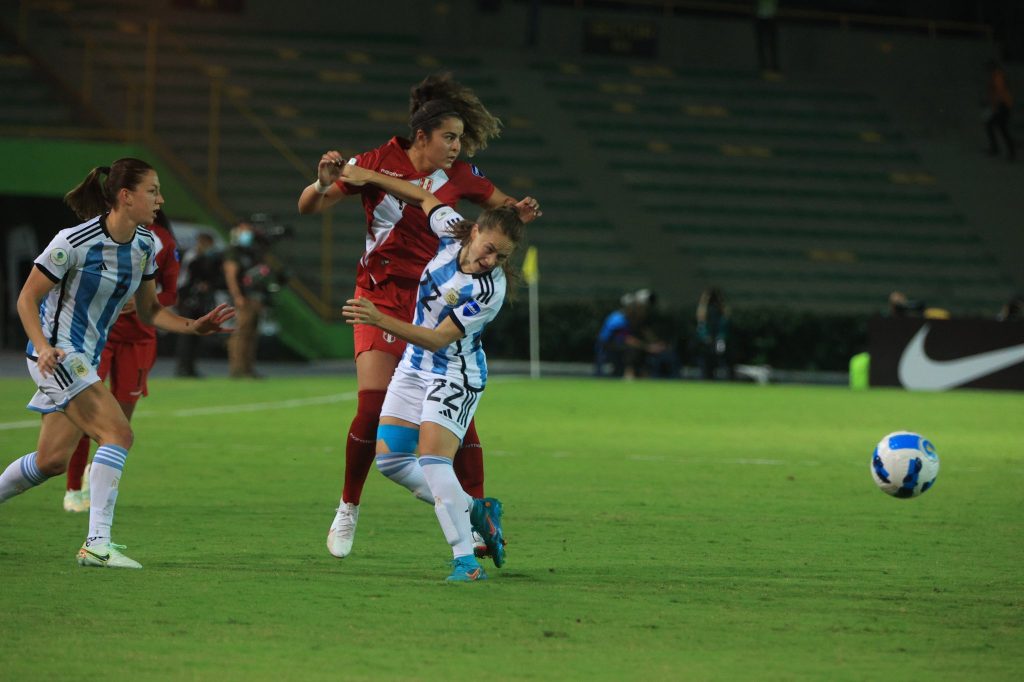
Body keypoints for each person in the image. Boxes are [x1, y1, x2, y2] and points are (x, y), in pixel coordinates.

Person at [297, 72, 541, 559]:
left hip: (434, 302)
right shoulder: (372, 162)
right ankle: (349, 506)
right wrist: (321, 182)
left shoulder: (462, 177)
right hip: (380, 296)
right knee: (371, 408)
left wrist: (522, 209)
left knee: (459, 422)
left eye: (459, 139)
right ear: (421, 136)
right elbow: (310, 206)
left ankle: (476, 518)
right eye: (449, 138)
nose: (456, 147)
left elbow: (502, 213)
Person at [0, 158, 234, 568]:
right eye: (152, 191)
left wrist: (193, 327)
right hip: (58, 354)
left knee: (51, 460)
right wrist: (43, 345)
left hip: (83, 358)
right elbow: (26, 298)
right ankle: (96, 544)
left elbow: (149, 312)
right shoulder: (73, 241)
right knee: (118, 434)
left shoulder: (146, 246)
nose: (160, 200)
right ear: (125, 197)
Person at [338, 160, 529, 581]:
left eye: (502, 256)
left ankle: (466, 561)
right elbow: (424, 196)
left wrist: (377, 318)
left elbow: (438, 338)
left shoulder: (487, 291)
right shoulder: (452, 230)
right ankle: (478, 510)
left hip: (455, 375)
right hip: (414, 365)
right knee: (390, 461)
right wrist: (369, 177)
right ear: (474, 230)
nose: (491, 259)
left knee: (433, 459)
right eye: (489, 248)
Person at [61, 209, 180, 513]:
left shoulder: (162, 242)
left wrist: (143, 301)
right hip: (101, 336)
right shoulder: (96, 238)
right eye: (152, 192)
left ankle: (95, 474)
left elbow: (170, 294)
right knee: (87, 415)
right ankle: (74, 488)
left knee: (120, 423)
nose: (157, 200)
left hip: (140, 339)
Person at [222, 222, 274, 378]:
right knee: (241, 333)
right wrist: (237, 296)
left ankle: (248, 368)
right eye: (244, 231)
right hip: (243, 298)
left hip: (255, 297)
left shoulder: (252, 251)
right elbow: (230, 275)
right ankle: (237, 369)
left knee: (252, 334)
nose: (248, 234)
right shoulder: (234, 252)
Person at [175, 232, 222, 377]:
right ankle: (183, 367)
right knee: (187, 335)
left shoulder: (206, 258)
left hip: (198, 300)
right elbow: (184, 279)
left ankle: (190, 367)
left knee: (196, 335)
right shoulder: (192, 257)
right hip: (188, 299)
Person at [695, 287, 733, 380]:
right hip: (707, 342)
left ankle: (726, 377)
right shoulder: (703, 310)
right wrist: (706, 337)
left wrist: (719, 338)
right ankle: (707, 377)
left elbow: (724, 325)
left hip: (719, 340)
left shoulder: (721, 311)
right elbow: (701, 325)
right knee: (706, 362)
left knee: (722, 359)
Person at [984, 59, 1016, 161]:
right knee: (994, 126)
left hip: (1003, 106)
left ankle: (1009, 152)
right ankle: (1000, 149)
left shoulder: (997, 76)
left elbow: (999, 91)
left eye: (989, 67)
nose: (988, 70)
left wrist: (996, 105)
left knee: (1000, 128)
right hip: (1001, 105)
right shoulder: (995, 76)